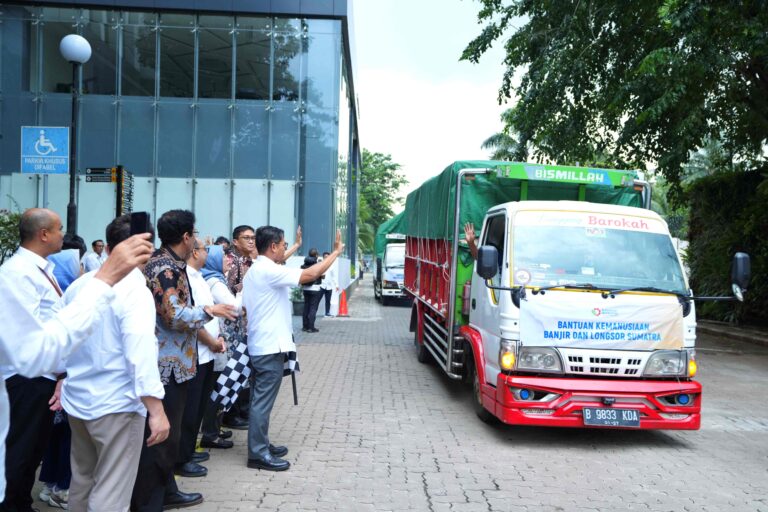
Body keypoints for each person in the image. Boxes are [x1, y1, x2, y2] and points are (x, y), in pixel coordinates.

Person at [0, 207, 154, 504]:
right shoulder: (18, 273)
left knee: (47, 459)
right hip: (31, 376)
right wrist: (155, 405)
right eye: (59, 229)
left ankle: (20, 503)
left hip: (62, 382)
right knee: (23, 451)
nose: (64, 235)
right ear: (43, 234)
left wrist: (63, 374)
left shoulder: (54, 273)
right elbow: (32, 337)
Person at [61, 215, 170, 512]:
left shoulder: (80, 285)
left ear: (108, 248)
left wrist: (62, 378)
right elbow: (140, 351)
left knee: (82, 480)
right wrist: (156, 409)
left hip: (78, 399)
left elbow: (63, 339)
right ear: (146, 249)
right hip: (117, 404)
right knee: (111, 492)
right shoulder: (135, 290)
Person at [131, 210, 236, 512]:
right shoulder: (165, 268)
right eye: (195, 233)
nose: (197, 239)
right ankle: (150, 501)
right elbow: (174, 315)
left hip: (176, 363)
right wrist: (210, 310)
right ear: (187, 237)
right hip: (167, 366)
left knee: (168, 438)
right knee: (160, 439)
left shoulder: (169, 263)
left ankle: (167, 490)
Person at [242, 226, 343, 471]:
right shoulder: (268, 270)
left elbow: (288, 265)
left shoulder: (259, 269)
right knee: (261, 403)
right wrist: (336, 253)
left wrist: (297, 245)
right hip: (269, 347)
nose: (284, 249)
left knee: (259, 400)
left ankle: (261, 444)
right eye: (283, 245)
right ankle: (258, 453)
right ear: (273, 246)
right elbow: (310, 274)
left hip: (263, 345)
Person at [37, 233, 87, 509]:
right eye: (77, 264)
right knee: (67, 438)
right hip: (63, 376)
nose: (81, 269)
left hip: (56, 375)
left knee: (56, 436)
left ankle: (49, 485)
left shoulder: (62, 292)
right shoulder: (72, 297)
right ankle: (62, 488)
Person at [175, 239, 228, 478]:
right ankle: (182, 458)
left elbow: (210, 312)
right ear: (195, 252)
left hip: (208, 353)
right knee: (189, 411)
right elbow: (192, 318)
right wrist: (211, 341)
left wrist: (218, 338)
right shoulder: (186, 277)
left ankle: (188, 451)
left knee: (197, 408)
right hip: (197, 350)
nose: (208, 252)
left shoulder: (199, 277)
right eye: (205, 249)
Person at [200, 245, 242, 448]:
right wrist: (241, 293)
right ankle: (210, 433)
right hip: (215, 343)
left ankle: (213, 429)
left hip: (215, 341)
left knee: (214, 387)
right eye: (223, 256)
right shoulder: (215, 282)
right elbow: (234, 308)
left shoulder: (209, 278)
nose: (228, 259)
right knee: (217, 389)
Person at [301, 248, 324, 333]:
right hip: (315, 288)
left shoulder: (304, 264)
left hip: (305, 288)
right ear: (316, 255)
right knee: (313, 308)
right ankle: (311, 327)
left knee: (306, 307)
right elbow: (323, 276)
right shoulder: (317, 265)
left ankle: (305, 326)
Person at [320, 251, 339, 317]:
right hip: (321, 286)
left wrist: (336, 285)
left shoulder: (331, 266)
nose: (326, 258)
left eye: (328, 257)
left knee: (328, 301)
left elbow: (334, 276)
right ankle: (313, 313)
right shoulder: (320, 265)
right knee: (317, 300)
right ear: (323, 258)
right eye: (325, 257)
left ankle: (327, 313)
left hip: (329, 287)